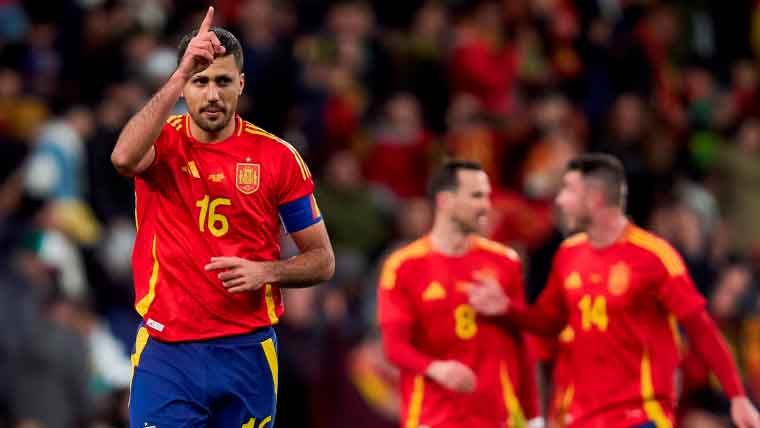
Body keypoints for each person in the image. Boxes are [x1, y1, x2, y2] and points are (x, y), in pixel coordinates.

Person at [111, 7, 334, 427]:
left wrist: (267, 271)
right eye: (199, 81)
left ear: (241, 85)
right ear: (184, 86)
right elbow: (122, 158)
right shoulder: (162, 144)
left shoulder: (279, 158)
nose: (211, 94)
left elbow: (322, 260)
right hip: (167, 352)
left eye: (222, 81)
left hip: (246, 351)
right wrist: (178, 75)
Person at [467, 153, 760, 428]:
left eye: (568, 190)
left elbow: (700, 329)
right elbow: (547, 322)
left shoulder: (654, 257)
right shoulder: (568, 254)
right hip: (579, 417)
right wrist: (507, 309)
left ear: (594, 199)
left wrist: (736, 394)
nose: (559, 200)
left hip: (638, 416)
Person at [377, 160, 541, 428]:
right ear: (445, 201)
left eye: (487, 196)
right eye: (477, 196)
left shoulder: (505, 262)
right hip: (431, 417)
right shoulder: (404, 266)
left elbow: (522, 343)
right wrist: (436, 369)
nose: (487, 206)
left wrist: (534, 418)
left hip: (497, 417)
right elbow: (394, 347)